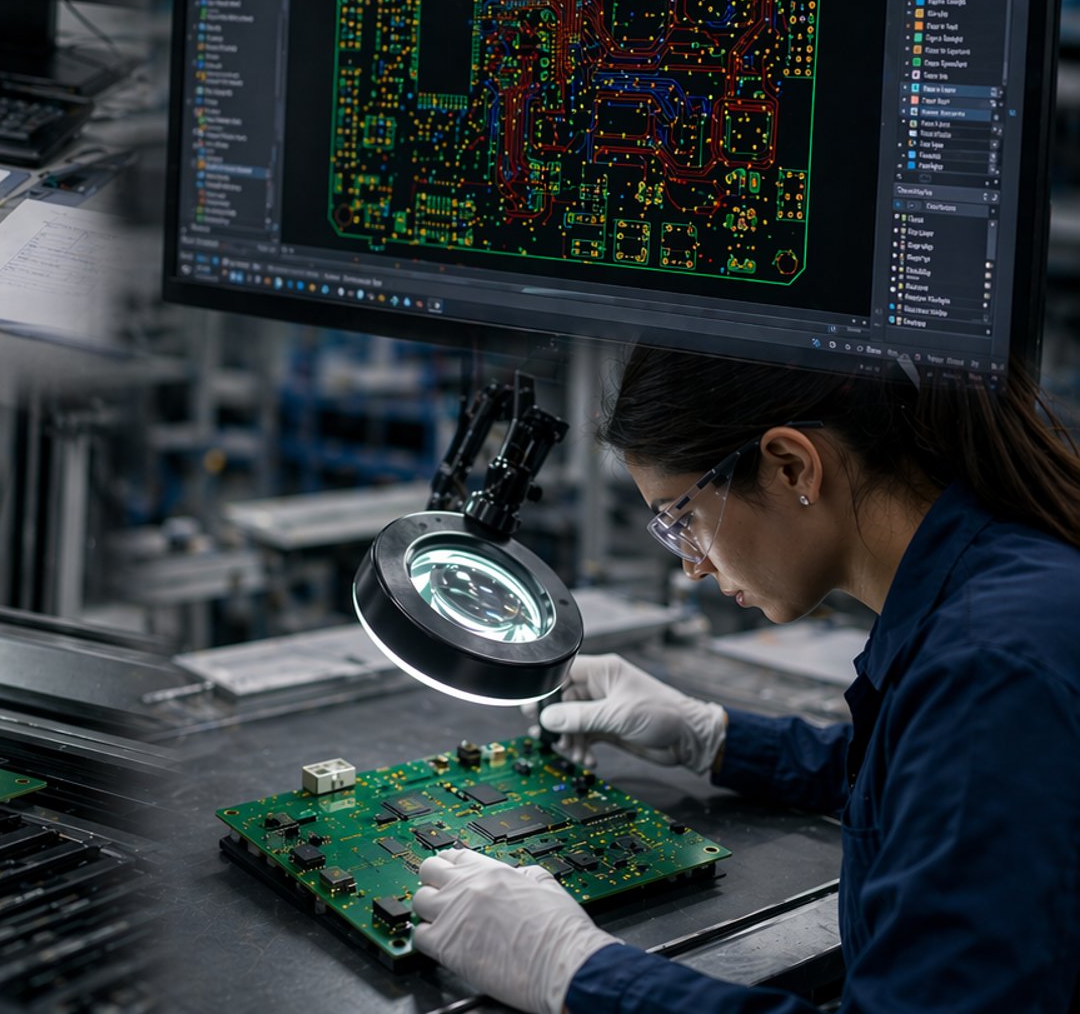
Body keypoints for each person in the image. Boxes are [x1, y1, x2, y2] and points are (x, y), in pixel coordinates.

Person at [410, 347, 1080, 1013]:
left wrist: (573, 970)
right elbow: (929, 789)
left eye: (683, 520)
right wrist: (716, 738)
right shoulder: (989, 581)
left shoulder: (990, 668)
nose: (691, 568)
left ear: (792, 467)